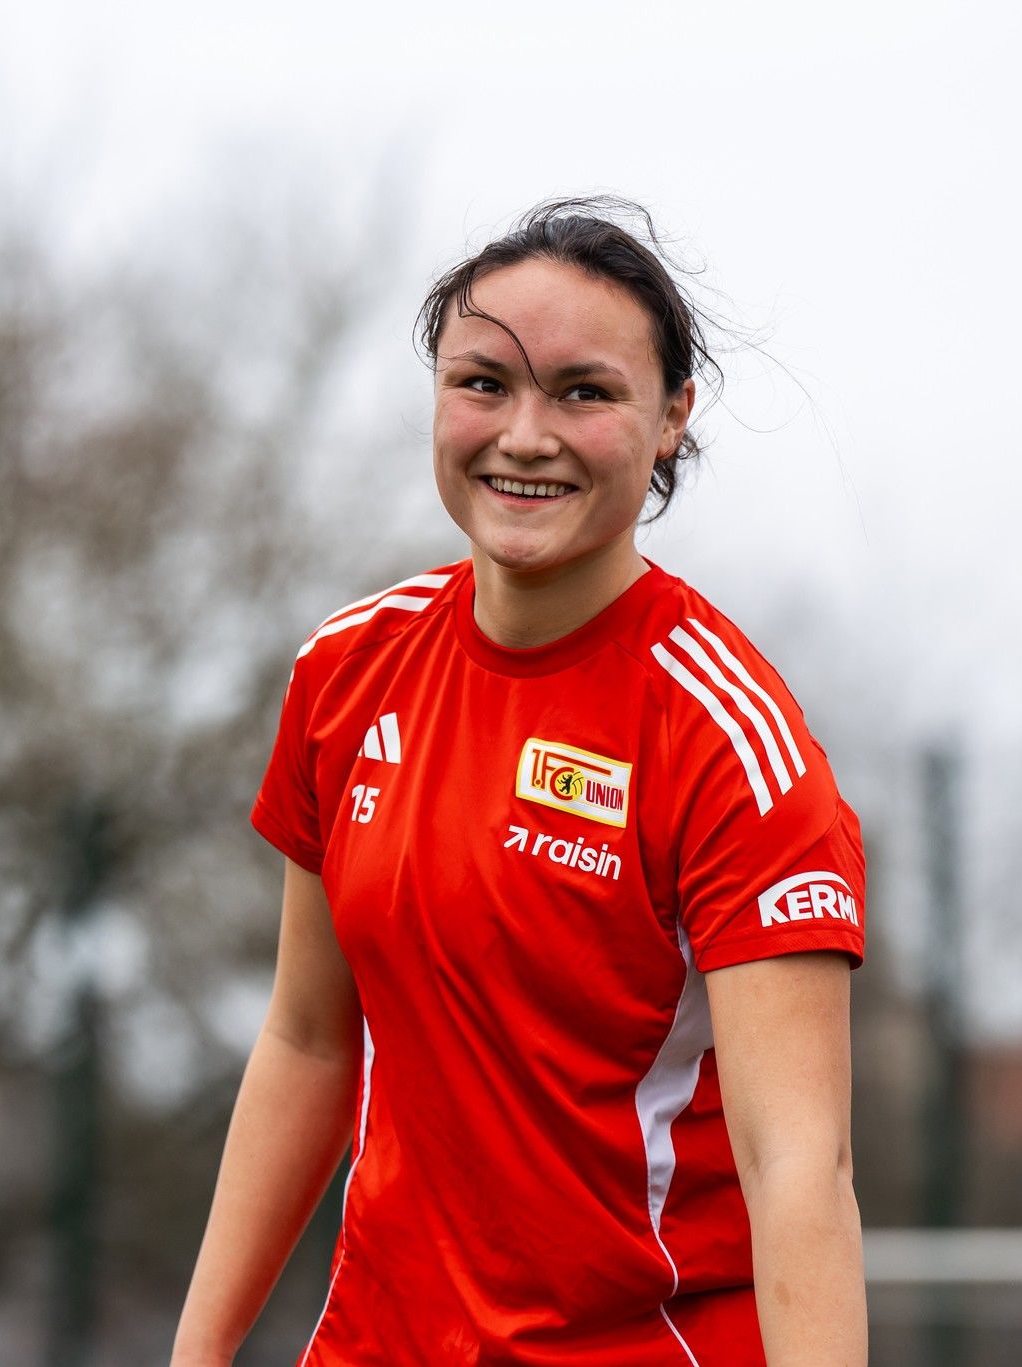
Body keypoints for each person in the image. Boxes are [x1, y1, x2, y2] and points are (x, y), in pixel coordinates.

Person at [172, 197, 868, 1366]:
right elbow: (305, 1041)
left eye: (583, 391)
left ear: (671, 420)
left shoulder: (726, 739)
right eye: (483, 382)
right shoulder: (348, 671)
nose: (524, 434)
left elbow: (799, 1165)